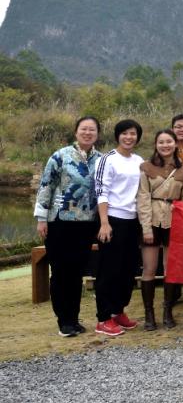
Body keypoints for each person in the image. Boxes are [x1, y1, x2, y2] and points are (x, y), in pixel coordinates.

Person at [35, 116, 102, 337]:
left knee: (76, 272)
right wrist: (41, 218)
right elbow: (46, 185)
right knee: (61, 271)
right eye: (84, 129)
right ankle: (63, 321)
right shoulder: (60, 156)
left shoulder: (101, 159)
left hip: (87, 223)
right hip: (59, 222)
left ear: (97, 134)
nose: (87, 133)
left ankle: (73, 318)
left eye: (92, 130)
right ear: (76, 132)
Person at [136, 129, 183, 331]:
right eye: (161, 142)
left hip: (174, 220)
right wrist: (146, 227)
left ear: (175, 144)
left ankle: (167, 310)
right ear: (156, 144)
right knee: (149, 268)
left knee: (170, 269)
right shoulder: (146, 167)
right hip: (152, 219)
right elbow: (142, 197)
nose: (165, 145)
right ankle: (149, 314)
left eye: (169, 141)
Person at [93, 119, 144, 337]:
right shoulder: (107, 159)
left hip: (133, 221)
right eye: (124, 133)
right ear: (117, 136)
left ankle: (118, 311)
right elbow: (101, 191)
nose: (129, 137)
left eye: (133, 134)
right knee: (109, 270)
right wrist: (104, 223)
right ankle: (103, 318)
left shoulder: (139, 160)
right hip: (113, 219)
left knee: (128, 269)